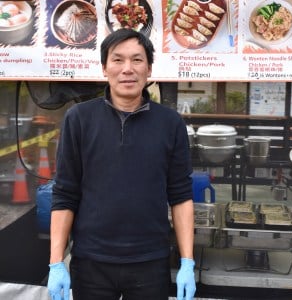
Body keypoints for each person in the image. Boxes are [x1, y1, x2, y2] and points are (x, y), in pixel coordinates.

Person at [47, 28, 196, 300]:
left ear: (149, 70)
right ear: (104, 68)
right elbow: (65, 193)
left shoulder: (170, 123)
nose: (127, 69)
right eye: (118, 60)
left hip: (150, 261)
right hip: (91, 261)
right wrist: (56, 262)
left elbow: (181, 195)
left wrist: (188, 261)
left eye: (137, 60)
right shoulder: (79, 119)